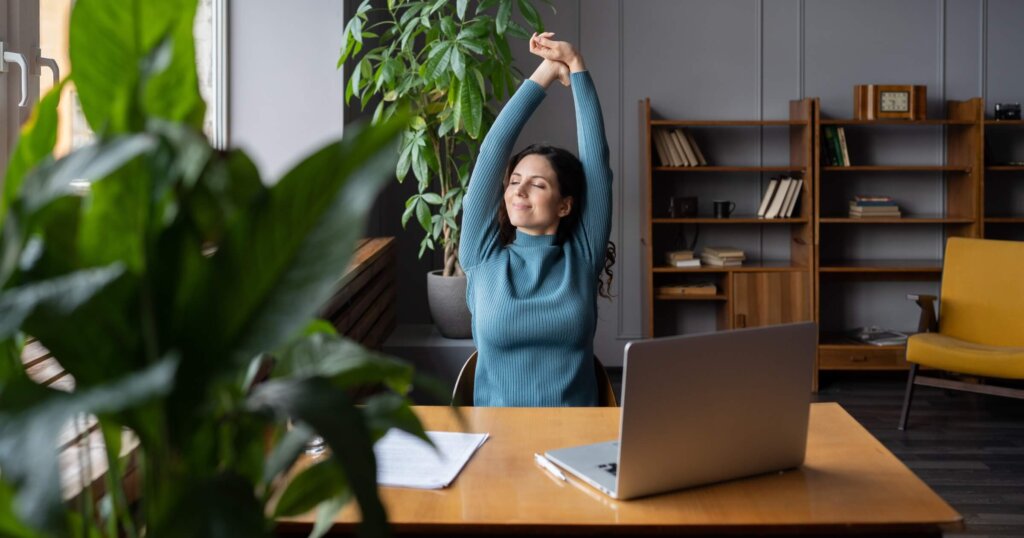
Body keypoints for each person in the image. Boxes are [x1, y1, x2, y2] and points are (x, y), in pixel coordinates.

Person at [459, 33, 614, 407]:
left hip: (578, 440)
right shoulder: (481, 257)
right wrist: (544, 73)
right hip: (497, 439)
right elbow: (493, 149)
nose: (518, 191)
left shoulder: (583, 254)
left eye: (537, 184)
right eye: (514, 181)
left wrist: (576, 66)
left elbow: (596, 163)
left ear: (564, 205)